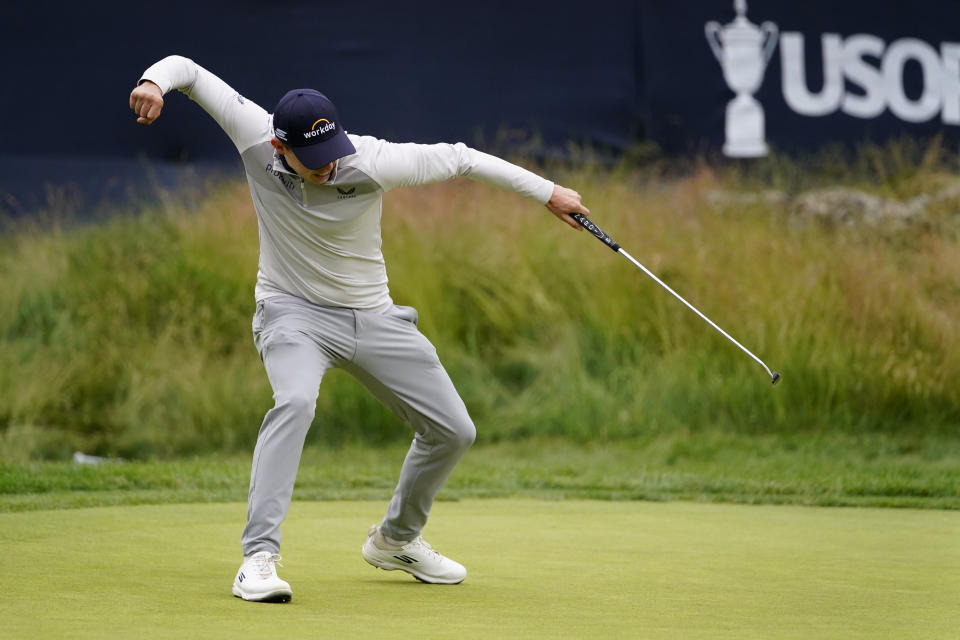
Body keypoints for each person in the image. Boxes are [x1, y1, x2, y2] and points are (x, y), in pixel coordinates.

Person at [129, 55, 590, 603]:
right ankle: (258, 557)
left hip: (374, 318)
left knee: (454, 430)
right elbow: (190, 72)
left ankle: (396, 540)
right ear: (280, 148)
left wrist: (549, 193)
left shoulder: (371, 161)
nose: (329, 167)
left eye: (332, 154)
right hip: (292, 314)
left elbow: (462, 159)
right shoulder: (254, 135)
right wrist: (155, 82)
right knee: (295, 402)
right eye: (314, 159)